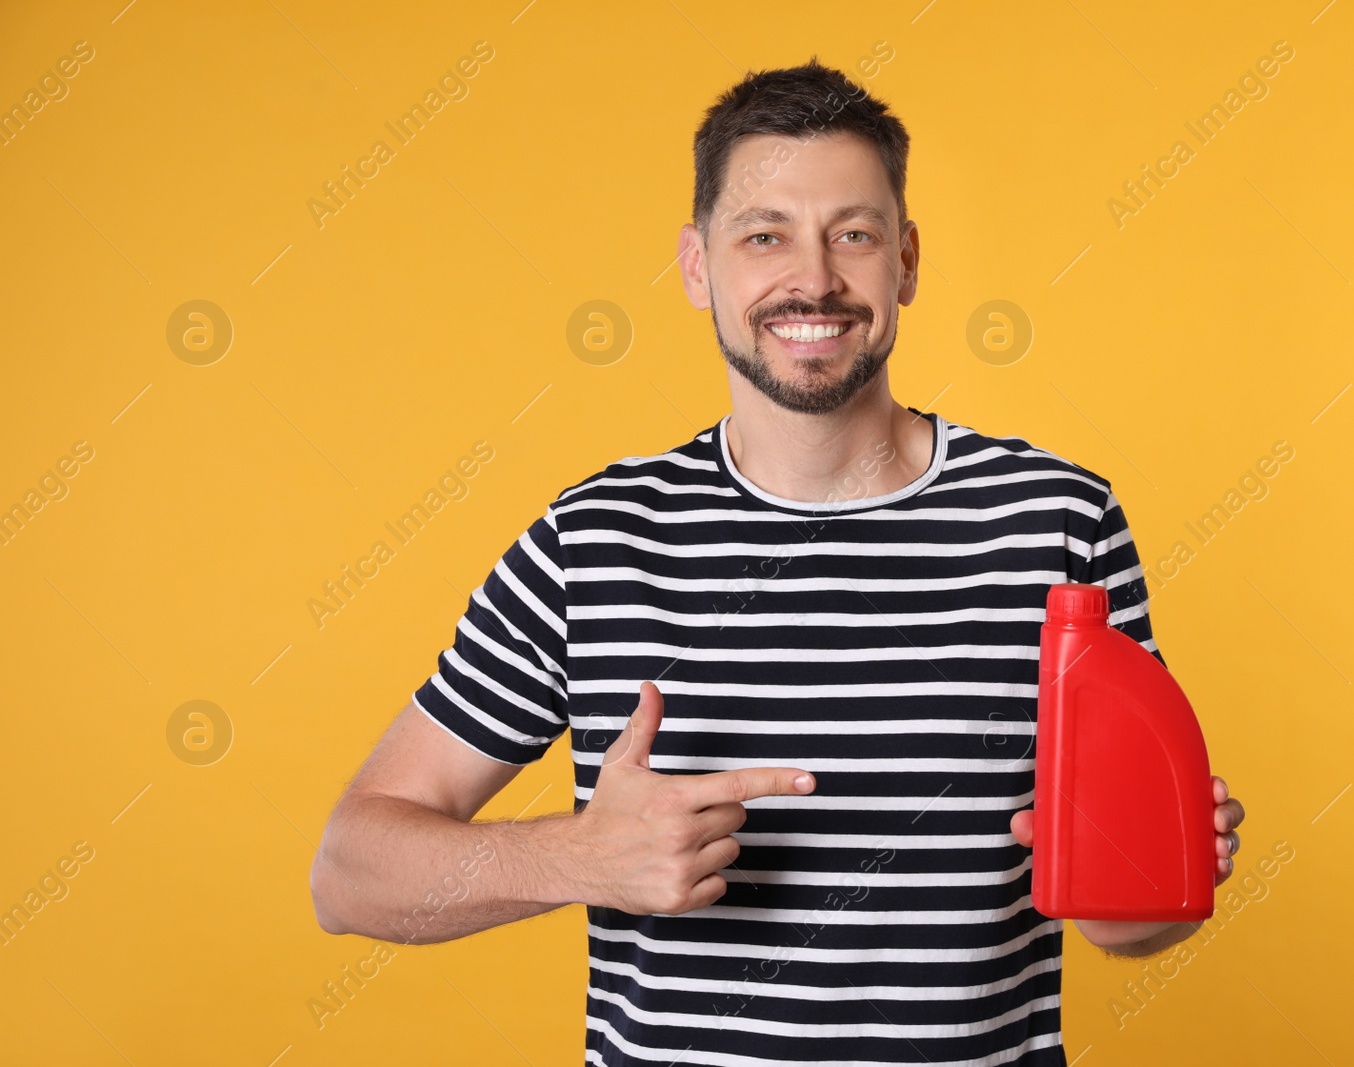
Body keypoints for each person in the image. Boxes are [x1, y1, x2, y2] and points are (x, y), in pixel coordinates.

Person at [310, 56, 1246, 1066]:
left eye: (854, 232)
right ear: (697, 265)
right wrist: (574, 855)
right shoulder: (596, 540)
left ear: (908, 261)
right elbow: (350, 872)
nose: (814, 278)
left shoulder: (1056, 521)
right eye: (766, 236)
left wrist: (1158, 869)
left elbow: (1128, 923)